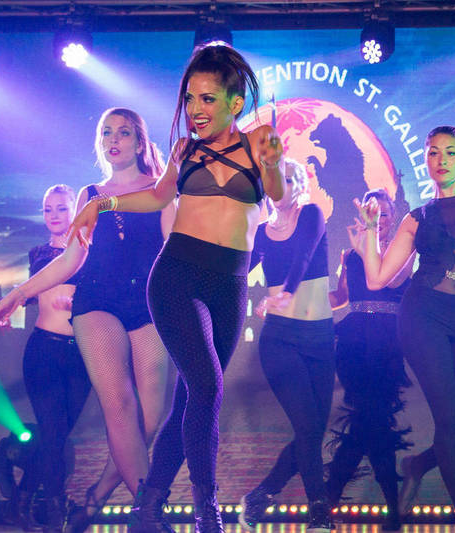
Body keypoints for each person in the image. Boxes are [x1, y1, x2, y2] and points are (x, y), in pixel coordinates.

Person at [67, 45, 284, 533]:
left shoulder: (259, 141)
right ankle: (208, 510)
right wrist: (102, 204)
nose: (195, 110)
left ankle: (148, 508)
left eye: (207, 99)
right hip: (176, 277)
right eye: (189, 99)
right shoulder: (185, 150)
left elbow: (276, 193)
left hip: (229, 285)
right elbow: (157, 196)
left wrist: (271, 164)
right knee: (207, 387)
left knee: (193, 398)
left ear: (235, 103)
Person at [0, 106, 176, 533]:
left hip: (147, 303)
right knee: (120, 405)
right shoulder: (90, 194)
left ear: (139, 141)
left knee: (150, 421)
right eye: (106, 133)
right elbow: (71, 259)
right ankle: (151, 517)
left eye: (124, 132)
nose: (114, 139)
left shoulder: (162, 191)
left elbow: (173, 254)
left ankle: (98, 497)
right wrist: (19, 293)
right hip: (98, 302)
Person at [354, 126, 455, 533]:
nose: (441, 160)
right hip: (423, 317)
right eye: (433, 153)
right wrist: (372, 231)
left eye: (449, 152)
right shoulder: (417, 218)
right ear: (426, 160)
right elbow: (377, 278)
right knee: (448, 419)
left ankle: (418, 465)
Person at [238, 159, 334, 533]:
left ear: (300, 185)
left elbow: (303, 256)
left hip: (320, 340)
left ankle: (260, 495)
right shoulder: (261, 234)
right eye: (276, 180)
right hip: (280, 341)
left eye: (290, 179)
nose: (283, 185)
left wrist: (288, 291)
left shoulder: (311, 215)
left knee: (312, 432)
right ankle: (320, 511)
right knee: (309, 429)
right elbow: (237, 273)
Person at [0, 185, 90, 533]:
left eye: (62, 208)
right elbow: (33, 293)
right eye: (48, 209)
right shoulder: (38, 252)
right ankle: (54, 514)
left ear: (75, 210)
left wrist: (80, 302)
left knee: (56, 438)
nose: (54, 215)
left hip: (82, 354)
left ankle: (20, 503)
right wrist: (8, 309)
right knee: (52, 434)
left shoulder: (90, 252)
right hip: (44, 352)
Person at [324, 188, 413, 531]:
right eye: (373, 213)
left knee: (369, 422)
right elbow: (342, 297)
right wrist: (301, 298)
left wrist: (368, 249)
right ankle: (392, 509)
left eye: (385, 213)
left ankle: (329, 500)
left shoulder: (403, 252)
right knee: (373, 421)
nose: (380, 219)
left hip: (387, 343)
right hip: (354, 343)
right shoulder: (350, 254)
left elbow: (388, 282)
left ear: (393, 217)